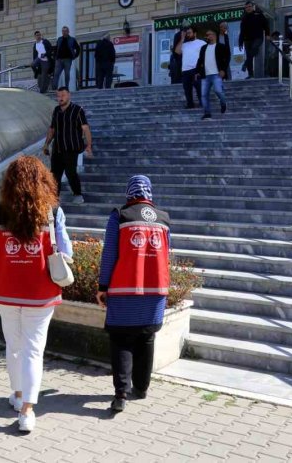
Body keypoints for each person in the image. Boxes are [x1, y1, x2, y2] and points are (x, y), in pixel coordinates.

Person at [0, 155, 73, 433]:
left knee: (14, 346)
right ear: (44, 180)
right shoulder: (53, 212)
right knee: (34, 350)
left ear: (9, 183)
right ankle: (27, 412)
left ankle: (18, 394)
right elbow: (66, 252)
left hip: (7, 289)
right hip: (40, 293)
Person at [96, 175, 171, 414]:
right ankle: (142, 387)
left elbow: (109, 254)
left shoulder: (120, 215)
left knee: (121, 339)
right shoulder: (164, 219)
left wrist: (103, 286)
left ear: (129, 192)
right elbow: (167, 255)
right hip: (156, 289)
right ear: (149, 192)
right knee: (146, 338)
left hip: (124, 289)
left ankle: (121, 395)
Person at [43, 87, 92, 204]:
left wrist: (89, 145)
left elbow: (85, 128)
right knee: (54, 175)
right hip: (57, 148)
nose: (60, 98)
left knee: (71, 172)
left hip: (71, 148)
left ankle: (77, 194)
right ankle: (54, 199)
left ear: (69, 95)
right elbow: (52, 129)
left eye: (63, 95)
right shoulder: (56, 110)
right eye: (58, 96)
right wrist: (46, 144)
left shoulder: (77, 110)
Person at [195, 29, 229, 120]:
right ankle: (207, 113)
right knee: (204, 95)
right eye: (206, 35)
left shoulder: (220, 47)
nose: (207, 36)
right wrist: (197, 71)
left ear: (214, 36)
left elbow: (226, 59)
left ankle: (223, 103)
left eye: (209, 34)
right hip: (205, 75)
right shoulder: (203, 48)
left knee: (218, 91)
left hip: (216, 74)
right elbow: (200, 60)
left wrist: (223, 70)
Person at [174, 27, 204, 109]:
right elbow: (177, 51)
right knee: (187, 89)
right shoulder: (184, 44)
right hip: (185, 70)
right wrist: (182, 38)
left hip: (196, 69)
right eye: (187, 33)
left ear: (195, 33)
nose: (188, 34)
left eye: (190, 33)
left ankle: (202, 103)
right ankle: (190, 104)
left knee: (199, 88)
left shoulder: (201, 43)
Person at [238, 1, 269, 79]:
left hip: (258, 38)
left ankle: (245, 63)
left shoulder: (258, 15)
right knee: (249, 55)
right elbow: (242, 31)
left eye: (249, 6)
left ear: (252, 7)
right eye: (246, 7)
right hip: (247, 39)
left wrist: (267, 34)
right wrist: (240, 42)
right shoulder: (244, 18)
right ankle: (250, 74)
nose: (248, 8)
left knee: (254, 49)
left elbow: (266, 25)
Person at [53, 26, 81, 90]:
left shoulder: (72, 39)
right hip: (59, 59)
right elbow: (56, 48)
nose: (64, 32)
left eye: (65, 31)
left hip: (68, 60)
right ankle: (54, 88)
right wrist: (55, 57)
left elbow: (78, 48)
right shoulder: (59, 39)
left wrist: (74, 56)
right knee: (56, 74)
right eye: (63, 31)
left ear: (68, 32)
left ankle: (66, 87)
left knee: (67, 74)